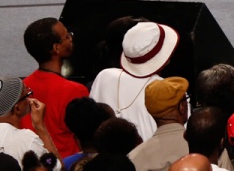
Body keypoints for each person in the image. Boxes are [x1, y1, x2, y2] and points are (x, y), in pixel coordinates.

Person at [88, 21, 180, 143]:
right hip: (152, 154)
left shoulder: (104, 76)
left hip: (104, 153)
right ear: (166, 59)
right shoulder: (170, 89)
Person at [20, 17, 87, 157]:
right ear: (56, 48)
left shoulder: (22, 88)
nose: (71, 38)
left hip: (33, 163)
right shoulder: (76, 91)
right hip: (66, 164)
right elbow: (86, 138)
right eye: (67, 36)